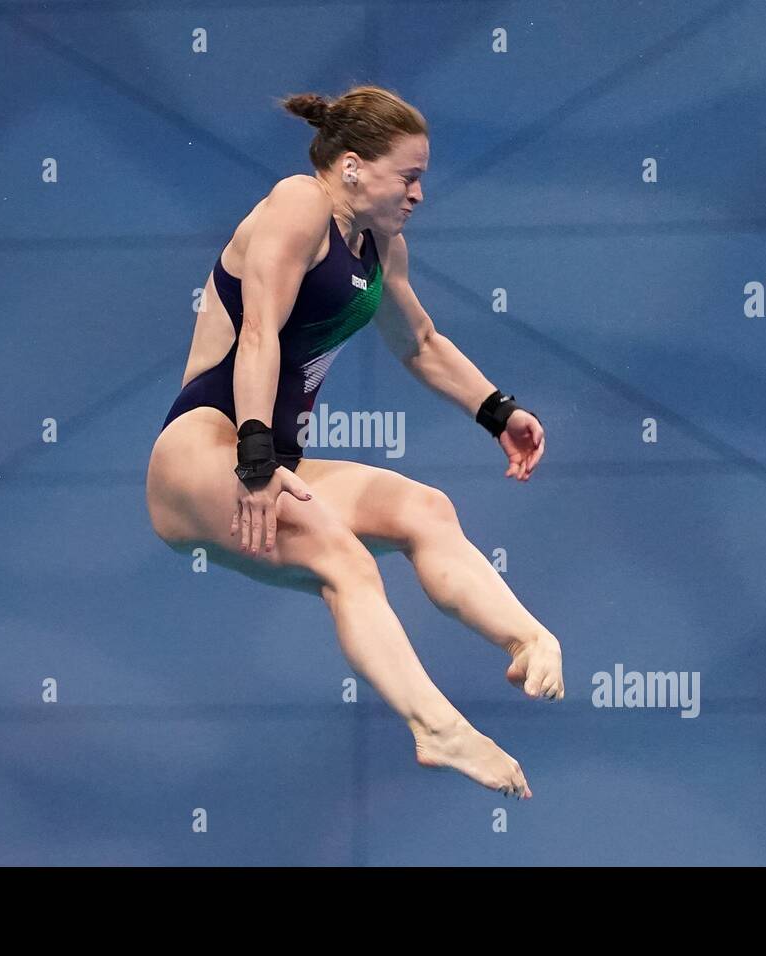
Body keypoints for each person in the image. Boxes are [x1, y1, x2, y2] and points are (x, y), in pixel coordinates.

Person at [146, 85, 560, 799]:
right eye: (409, 175)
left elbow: (421, 343)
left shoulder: (380, 246)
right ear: (351, 167)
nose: (420, 193)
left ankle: (528, 639)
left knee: (425, 509)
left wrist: (497, 411)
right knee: (344, 559)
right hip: (205, 447)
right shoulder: (296, 207)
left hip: (270, 456)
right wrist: (253, 457)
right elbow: (259, 331)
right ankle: (435, 725)